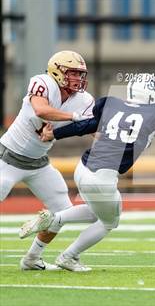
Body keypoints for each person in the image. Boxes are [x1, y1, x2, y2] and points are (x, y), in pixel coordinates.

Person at [19, 74, 155, 271]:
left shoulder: (113, 104)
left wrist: (55, 135)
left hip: (83, 168)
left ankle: (52, 221)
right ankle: (69, 256)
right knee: (109, 221)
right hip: (102, 177)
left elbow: (84, 126)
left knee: (96, 212)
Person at [0, 50, 94, 270]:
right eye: (73, 73)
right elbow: (42, 110)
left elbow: (93, 128)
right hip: (7, 159)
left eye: (80, 74)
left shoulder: (84, 100)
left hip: (38, 163)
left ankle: (32, 259)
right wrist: (73, 117)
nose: (78, 79)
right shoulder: (42, 82)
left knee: (62, 210)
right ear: (57, 71)